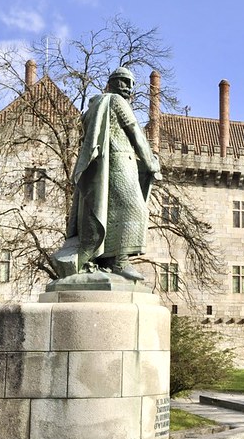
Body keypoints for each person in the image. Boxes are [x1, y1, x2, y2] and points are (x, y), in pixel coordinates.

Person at [50, 67, 161, 281]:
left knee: (110, 212)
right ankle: (119, 262)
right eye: (123, 81)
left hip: (107, 166)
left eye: (131, 83)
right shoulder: (117, 102)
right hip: (120, 162)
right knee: (134, 209)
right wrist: (150, 162)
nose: (128, 87)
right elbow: (135, 132)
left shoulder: (95, 106)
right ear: (111, 83)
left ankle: (105, 260)